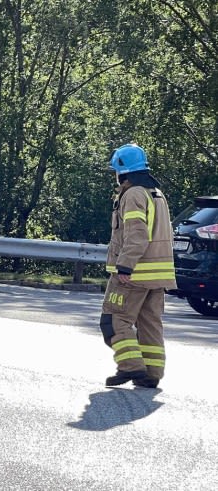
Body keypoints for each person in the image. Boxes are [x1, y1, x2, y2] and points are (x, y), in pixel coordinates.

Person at [102, 143, 175, 389]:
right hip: (158, 275)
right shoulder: (156, 194)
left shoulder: (133, 194)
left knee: (113, 320)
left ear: (122, 171)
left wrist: (124, 266)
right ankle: (151, 373)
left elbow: (137, 235)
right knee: (149, 324)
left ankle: (130, 366)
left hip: (134, 273)